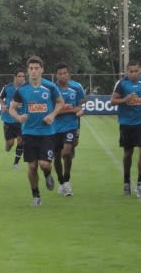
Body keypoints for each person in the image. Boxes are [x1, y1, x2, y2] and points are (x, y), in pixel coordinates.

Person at [9, 56, 63, 206]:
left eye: (36, 68)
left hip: (47, 133)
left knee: (44, 164)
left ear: (42, 70)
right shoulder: (22, 89)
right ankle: (36, 195)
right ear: (28, 71)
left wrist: (52, 115)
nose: (33, 71)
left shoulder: (50, 87)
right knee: (32, 166)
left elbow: (60, 103)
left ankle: (47, 175)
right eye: (31, 68)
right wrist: (19, 117)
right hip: (29, 133)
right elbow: (12, 108)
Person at [110, 60, 141, 198]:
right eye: (130, 71)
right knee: (128, 154)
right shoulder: (121, 84)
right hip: (126, 123)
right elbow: (112, 101)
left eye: (136, 71)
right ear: (127, 71)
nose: (133, 74)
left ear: (140, 70)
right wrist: (126, 99)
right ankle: (126, 181)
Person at [53, 63, 87, 196]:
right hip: (54, 127)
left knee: (66, 152)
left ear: (69, 74)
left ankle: (67, 181)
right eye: (60, 74)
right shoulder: (52, 88)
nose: (63, 76)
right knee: (56, 156)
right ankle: (61, 182)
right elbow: (53, 111)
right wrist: (71, 109)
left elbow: (82, 100)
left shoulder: (76, 87)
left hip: (71, 126)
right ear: (57, 75)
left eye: (65, 73)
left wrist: (80, 110)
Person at [0, 70, 26, 169]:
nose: (22, 78)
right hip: (8, 119)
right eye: (19, 76)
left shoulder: (26, 88)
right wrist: (3, 105)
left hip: (20, 119)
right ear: (15, 77)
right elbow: (1, 98)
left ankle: (16, 163)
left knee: (20, 141)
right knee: (10, 144)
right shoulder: (7, 87)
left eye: (23, 76)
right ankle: (8, 145)